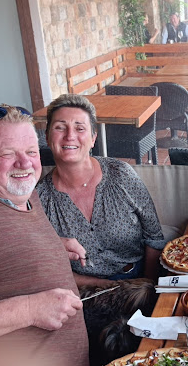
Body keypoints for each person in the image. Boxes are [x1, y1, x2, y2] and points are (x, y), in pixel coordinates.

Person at [0, 105, 89, 366]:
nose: (24, 163)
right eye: (7, 153)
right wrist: (29, 310)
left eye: (31, 152)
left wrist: (51, 246)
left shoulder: (26, 195)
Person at [36, 94, 166, 288]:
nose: (70, 135)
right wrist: (105, 287)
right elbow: (49, 266)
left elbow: (154, 237)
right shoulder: (40, 198)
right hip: (85, 290)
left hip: (138, 280)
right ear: (47, 137)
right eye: (60, 127)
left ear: (93, 139)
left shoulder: (121, 175)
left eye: (80, 128)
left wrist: (147, 286)